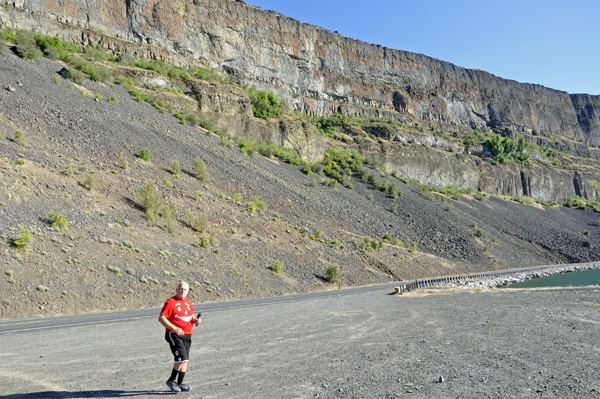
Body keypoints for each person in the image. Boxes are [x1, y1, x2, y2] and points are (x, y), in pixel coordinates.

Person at [158, 282, 201, 392]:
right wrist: (174, 328)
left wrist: (195, 320)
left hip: (187, 334)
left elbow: (190, 315)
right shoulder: (170, 302)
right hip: (174, 334)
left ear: (188, 291)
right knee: (181, 357)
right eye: (181, 289)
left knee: (185, 359)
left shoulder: (187, 302)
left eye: (185, 289)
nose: (183, 291)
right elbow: (161, 318)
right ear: (176, 290)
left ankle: (180, 383)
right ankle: (171, 380)